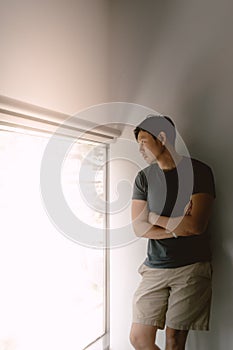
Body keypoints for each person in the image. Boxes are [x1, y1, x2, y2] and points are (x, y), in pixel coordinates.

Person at [129, 115, 216, 350]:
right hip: (154, 266)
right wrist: (178, 227)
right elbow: (138, 227)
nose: (140, 149)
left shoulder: (199, 172)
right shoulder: (143, 178)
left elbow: (196, 225)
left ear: (163, 138)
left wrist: (155, 219)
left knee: (174, 342)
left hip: (191, 268)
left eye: (143, 142)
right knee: (138, 338)